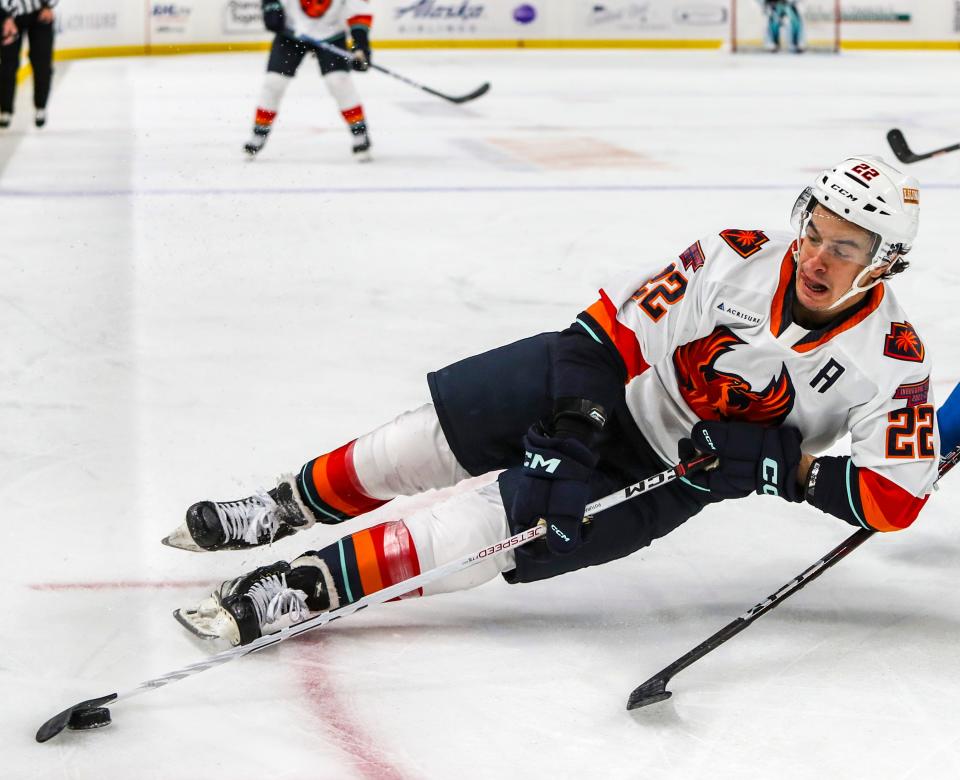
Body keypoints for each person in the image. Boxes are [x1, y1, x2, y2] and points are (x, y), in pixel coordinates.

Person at [164, 157, 939, 647]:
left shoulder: (891, 362)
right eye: (816, 232)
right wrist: (573, 433)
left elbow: (894, 499)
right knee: (416, 445)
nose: (815, 256)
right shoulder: (733, 255)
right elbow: (599, 338)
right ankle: (279, 507)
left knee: (478, 537)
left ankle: (307, 586)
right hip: (600, 388)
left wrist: (783, 467)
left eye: (846, 248)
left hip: (673, 471)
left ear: (882, 266)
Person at [243, 0, 373, 160]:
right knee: (274, 82)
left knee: (338, 81)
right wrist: (271, 6)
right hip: (291, 32)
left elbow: (359, 12)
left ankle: (360, 133)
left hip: (331, 35)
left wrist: (361, 46)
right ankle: (259, 133)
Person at [0, 0, 56, 129]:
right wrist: (4, 17)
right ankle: (5, 109)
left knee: (42, 62)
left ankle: (40, 106)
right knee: (7, 64)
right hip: (9, 15)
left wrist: (48, 6)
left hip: (40, 11)